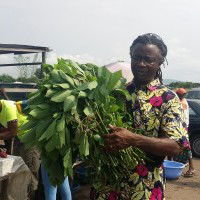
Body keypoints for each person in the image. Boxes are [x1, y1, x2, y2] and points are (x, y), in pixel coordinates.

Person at [90, 33, 190, 200]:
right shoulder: (118, 93)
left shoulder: (168, 98)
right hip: (107, 184)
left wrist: (132, 139)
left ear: (159, 63)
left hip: (144, 187)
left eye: (148, 59)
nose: (140, 64)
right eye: (136, 57)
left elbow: (176, 146)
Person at [173, 88, 195, 177]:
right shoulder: (183, 101)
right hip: (180, 127)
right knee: (173, 144)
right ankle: (172, 165)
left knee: (186, 147)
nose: (182, 96)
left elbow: (181, 116)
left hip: (182, 128)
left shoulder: (181, 102)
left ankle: (192, 167)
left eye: (183, 94)